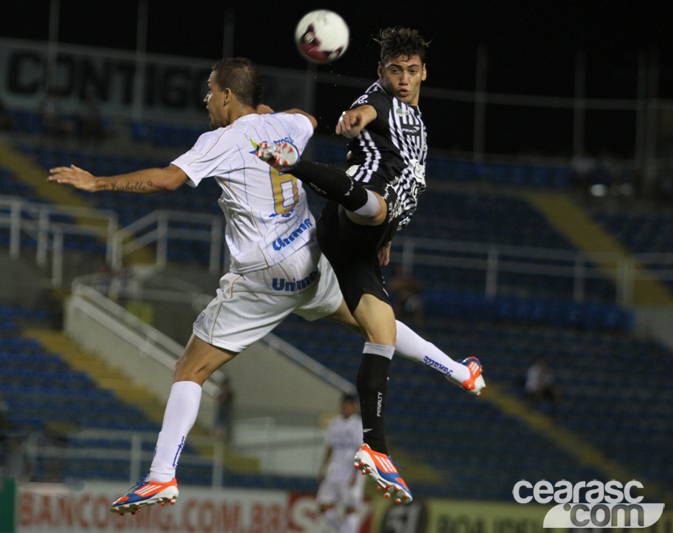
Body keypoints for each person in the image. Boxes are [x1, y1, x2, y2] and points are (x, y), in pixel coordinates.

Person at [49, 57, 483, 514]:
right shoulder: (286, 125)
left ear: (226, 96)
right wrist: (265, 116)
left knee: (189, 370)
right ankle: (460, 371)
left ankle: (160, 477)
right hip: (310, 256)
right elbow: (309, 119)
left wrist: (98, 183)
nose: (205, 100)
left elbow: (167, 180)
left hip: (264, 273)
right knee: (370, 320)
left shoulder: (218, 140)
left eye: (210, 91)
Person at [257, 27, 484, 504]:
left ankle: (375, 448)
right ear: (382, 73)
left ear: (424, 72)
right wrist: (352, 119)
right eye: (395, 70)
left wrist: (387, 239)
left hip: (361, 243)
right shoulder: (379, 99)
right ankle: (290, 162)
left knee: (382, 332)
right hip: (350, 214)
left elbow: (407, 183)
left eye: (411, 70)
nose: (403, 78)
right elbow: (362, 112)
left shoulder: (415, 119)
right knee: (374, 205)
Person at [317, 394, 364, 533]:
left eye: (349, 404)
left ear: (354, 407)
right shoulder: (334, 423)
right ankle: (343, 529)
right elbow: (330, 446)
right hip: (335, 470)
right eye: (344, 404)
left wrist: (357, 473)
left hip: (352, 470)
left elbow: (362, 449)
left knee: (350, 508)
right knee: (323, 506)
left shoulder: (359, 424)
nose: (346, 407)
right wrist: (323, 467)